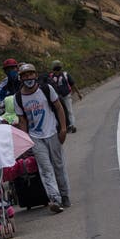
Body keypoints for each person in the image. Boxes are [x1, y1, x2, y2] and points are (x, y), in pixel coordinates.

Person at [13, 63, 71, 212]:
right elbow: (23, 121)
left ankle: (65, 196)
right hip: (35, 138)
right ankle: (54, 199)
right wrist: (25, 141)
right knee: (45, 169)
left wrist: (63, 128)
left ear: (36, 75)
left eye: (30, 74)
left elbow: (58, 107)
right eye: (25, 75)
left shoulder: (46, 89)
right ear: (20, 78)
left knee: (58, 166)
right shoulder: (18, 98)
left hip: (52, 132)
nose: (28, 78)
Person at [48, 60, 82, 133]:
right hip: (56, 98)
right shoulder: (50, 76)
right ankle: (62, 126)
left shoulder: (65, 75)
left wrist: (78, 93)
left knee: (69, 110)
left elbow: (72, 84)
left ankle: (72, 125)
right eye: (55, 69)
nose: (57, 70)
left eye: (58, 68)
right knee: (59, 112)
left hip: (66, 95)